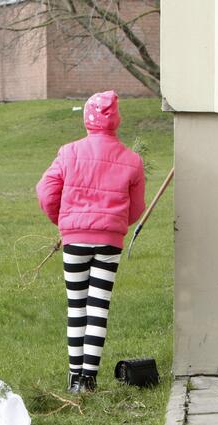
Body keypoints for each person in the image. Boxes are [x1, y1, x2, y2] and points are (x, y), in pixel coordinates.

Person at [36, 90, 146, 394]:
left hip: (74, 238)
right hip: (109, 240)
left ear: (87, 120)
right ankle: (90, 378)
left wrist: (62, 220)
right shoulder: (132, 160)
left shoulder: (68, 152)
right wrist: (117, 223)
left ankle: (74, 378)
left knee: (77, 306)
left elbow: (45, 191)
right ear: (116, 122)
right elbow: (136, 207)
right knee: (99, 306)